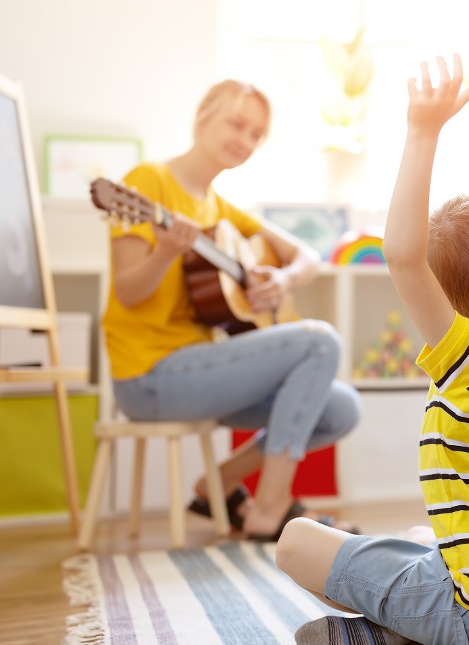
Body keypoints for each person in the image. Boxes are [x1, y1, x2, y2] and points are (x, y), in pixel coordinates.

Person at [275, 55, 469, 645]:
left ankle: (391, 639)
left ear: (441, 304)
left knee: (296, 542)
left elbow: (402, 254)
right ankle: (399, 624)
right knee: (415, 544)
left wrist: (423, 132)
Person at [102, 80, 361, 541]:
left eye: (256, 134)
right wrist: (163, 253)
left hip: (200, 371)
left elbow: (307, 256)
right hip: (150, 376)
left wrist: (280, 279)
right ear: (203, 115)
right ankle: (271, 508)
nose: (245, 140)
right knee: (320, 342)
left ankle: (217, 484)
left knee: (340, 408)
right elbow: (127, 293)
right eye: (237, 124)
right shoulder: (147, 182)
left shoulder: (219, 208)